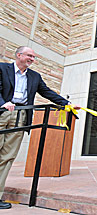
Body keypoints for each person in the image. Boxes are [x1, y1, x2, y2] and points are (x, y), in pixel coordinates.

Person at [0, 46, 80, 209]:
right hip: (2, 112)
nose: (32, 59)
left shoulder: (35, 76)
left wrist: (67, 104)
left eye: (34, 57)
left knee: (7, 157)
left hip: (21, 116)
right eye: (29, 55)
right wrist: (3, 103)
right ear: (18, 55)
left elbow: (47, 92)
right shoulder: (2, 68)